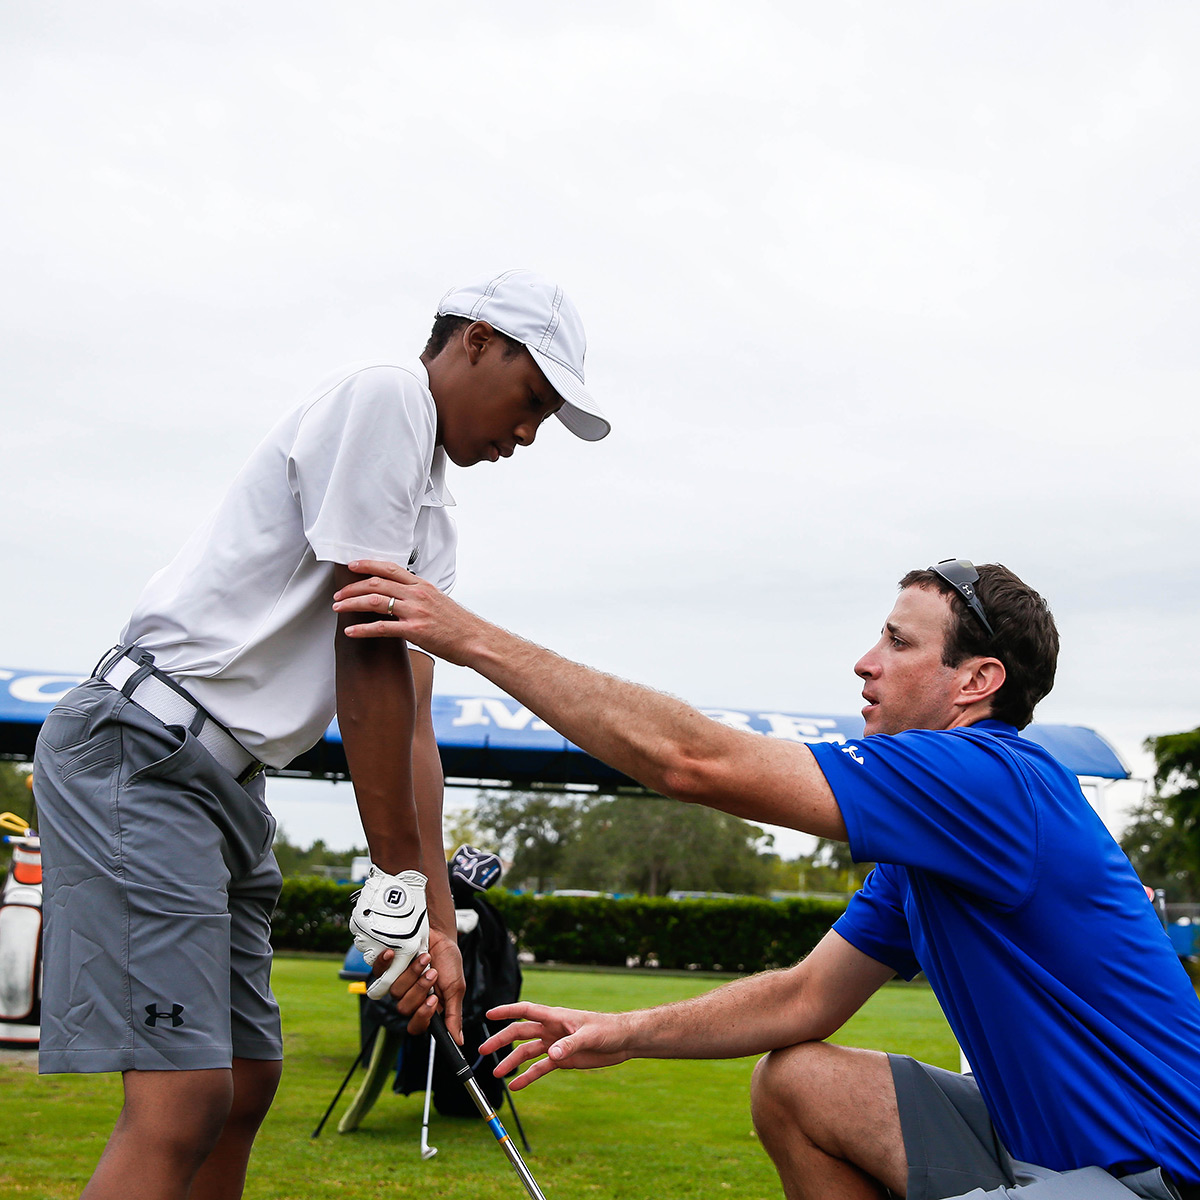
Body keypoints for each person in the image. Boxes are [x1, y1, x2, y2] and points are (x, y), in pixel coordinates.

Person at [332, 558, 1200, 1200]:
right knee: (798, 1082)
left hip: (1155, 1178)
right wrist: (621, 1031)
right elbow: (802, 1002)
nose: (865, 662)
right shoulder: (932, 840)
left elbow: (691, 762)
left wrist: (469, 636)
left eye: (897, 643)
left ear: (977, 682)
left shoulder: (989, 779)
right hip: (1041, 1156)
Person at [31, 268, 609, 1200]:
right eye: (531, 396)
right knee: (180, 1101)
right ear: (474, 341)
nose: (528, 431)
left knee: (247, 1084)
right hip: (143, 750)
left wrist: (440, 919)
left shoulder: (435, 526)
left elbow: (413, 719)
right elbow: (365, 651)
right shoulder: (386, 396)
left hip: (225, 785)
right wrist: (391, 885)